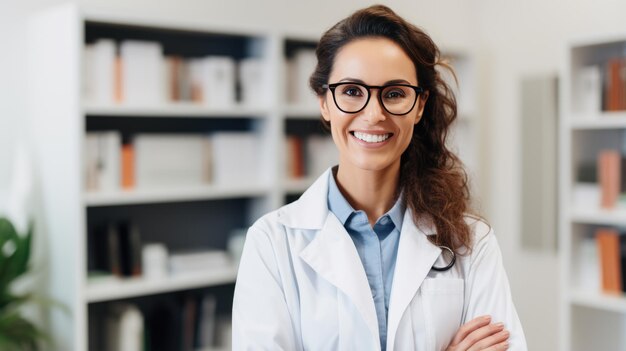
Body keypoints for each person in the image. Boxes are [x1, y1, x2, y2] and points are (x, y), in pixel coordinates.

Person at [232, 5, 527, 351]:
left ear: (419, 105)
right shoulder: (272, 243)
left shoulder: (472, 243)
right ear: (324, 102)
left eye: (395, 93)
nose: (374, 115)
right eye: (352, 92)